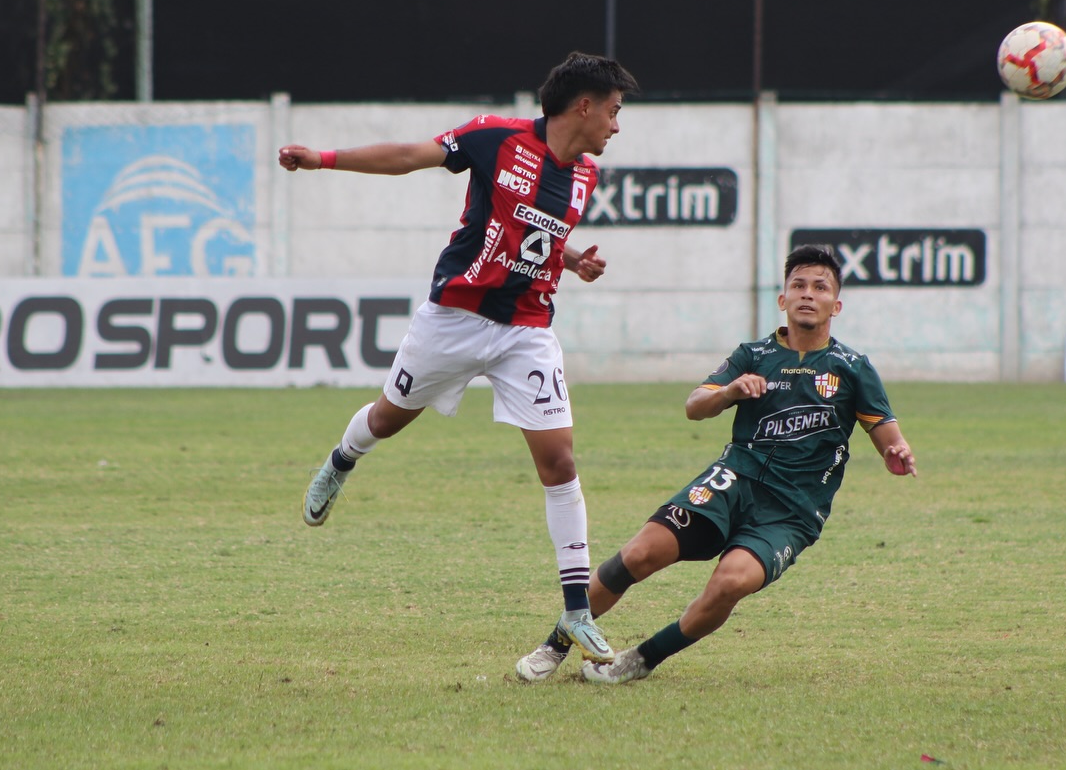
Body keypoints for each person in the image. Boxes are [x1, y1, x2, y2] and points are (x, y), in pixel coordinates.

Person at [278, 51, 640, 666]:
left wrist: (571, 258)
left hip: (526, 328)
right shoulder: (494, 137)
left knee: (560, 460)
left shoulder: (585, 176)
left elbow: (537, 228)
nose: (616, 124)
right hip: (453, 318)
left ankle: (577, 610)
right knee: (389, 418)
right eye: (614, 110)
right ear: (584, 105)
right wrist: (324, 160)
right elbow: (407, 157)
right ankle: (343, 458)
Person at [514, 243, 917, 683]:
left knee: (730, 583)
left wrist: (895, 453)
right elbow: (694, 405)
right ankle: (554, 645)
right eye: (798, 285)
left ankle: (643, 658)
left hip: (792, 511)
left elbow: (888, 438)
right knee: (638, 554)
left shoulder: (854, 368)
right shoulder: (754, 356)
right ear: (782, 299)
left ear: (835, 305)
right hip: (730, 483)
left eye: (820, 287)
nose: (807, 294)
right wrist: (729, 393)